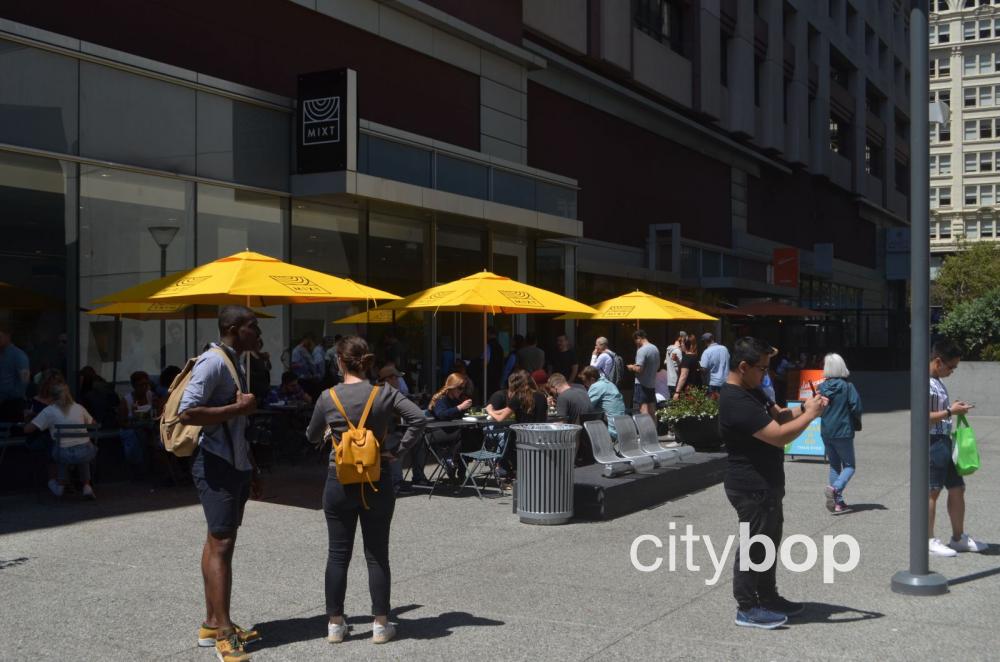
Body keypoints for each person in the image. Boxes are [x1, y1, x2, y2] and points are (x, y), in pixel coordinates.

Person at [306, 336, 426, 645]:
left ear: (340, 362)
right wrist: (398, 449)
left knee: (337, 555)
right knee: (377, 555)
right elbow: (418, 418)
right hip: (377, 477)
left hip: (338, 479)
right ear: (367, 362)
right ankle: (380, 624)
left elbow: (310, 435)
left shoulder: (327, 396)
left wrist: (330, 432)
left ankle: (335, 624)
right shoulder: (384, 393)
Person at [720, 337, 827, 629]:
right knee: (754, 545)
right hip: (750, 485)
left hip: (765, 484)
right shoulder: (735, 400)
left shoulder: (753, 391)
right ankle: (746, 607)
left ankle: (768, 597)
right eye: (762, 369)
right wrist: (811, 416)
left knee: (767, 543)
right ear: (743, 367)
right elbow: (778, 435)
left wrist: (805, 406)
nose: (766, 374)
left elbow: (779, 415)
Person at [177, 306, 262, 661]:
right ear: (232, 328)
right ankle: (224, 634)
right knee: (222, 543)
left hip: (233, 463)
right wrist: (238, 410)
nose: (257, 332)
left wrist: (251, 467)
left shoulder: (235, 361)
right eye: (251, 326)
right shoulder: (213, 363)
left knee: (218, 540)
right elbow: (187, 411)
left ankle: (212, 622)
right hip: (214, 463)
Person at [926, 340, 985, 557]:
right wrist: (951, 412)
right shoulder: (925, 383)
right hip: (932, 442)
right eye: (951, 367)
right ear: (938, 361)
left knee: (957, 487)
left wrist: (953, 410)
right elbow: (922, 418)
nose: (952, 371)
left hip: (943, 439)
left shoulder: (937, 381)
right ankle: (928, 539)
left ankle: (958, 537)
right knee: (932, 492)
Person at [24, 380, 97, 499]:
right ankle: (86, 486)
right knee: (82, 446)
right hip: (86, 452)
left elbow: (27, 430)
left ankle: (60, 484)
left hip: (62, 453)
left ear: (51, 396)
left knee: (60, 450)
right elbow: (93, 423)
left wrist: (28, 417)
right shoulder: (79, 408)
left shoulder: (49, 411)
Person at [817, 353, 862, 515]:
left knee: (834, 465)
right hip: (843, 430)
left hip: (826, 430)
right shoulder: (847, 387)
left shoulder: (821, 387)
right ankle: (835, 489)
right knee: (849, 465)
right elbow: (856, 407)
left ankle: (838, 502)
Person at [24, 369, 66, 495]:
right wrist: (31, 416)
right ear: (45, 384)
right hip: (38, 436)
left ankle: (66, 480)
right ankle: (54, 480)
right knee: (51, 441)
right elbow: (27, 424)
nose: (55, 387)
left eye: (58, 383)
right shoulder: (34, 401)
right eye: (52, 383)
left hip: (59, 435)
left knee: (66, 441)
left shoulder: (63, 402)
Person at [579, 365, 627, 440]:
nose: (584, 384)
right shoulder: (609, 384)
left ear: (592, 379)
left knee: (581, 432)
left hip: (612, 431)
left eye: (585, 381)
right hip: (623, 428)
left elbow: (586, 407)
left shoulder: (596, 386)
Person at [0, 325, 30, 423]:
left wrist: (11, 396)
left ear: (7, 336)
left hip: (12, 404)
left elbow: (24, 381)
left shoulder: (18, 355)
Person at [628, 329, 660, 415]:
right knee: (652, 410)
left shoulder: (641, 350)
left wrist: (631, 367)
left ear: (638, 338)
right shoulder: (655, 348)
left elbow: (639, 369)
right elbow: (657, 366)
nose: (635, 343)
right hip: (652, 383)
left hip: (641, 384)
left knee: (643, 410)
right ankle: (654, 428)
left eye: (635, 340)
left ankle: (646, 429)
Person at [664, 331, 686, 399]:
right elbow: (678, 368)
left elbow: (665, 362)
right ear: (681, 338)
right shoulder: (678, 351)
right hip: (676, 382)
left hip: (670, 381)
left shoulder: (669, 349)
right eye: (685, 339)